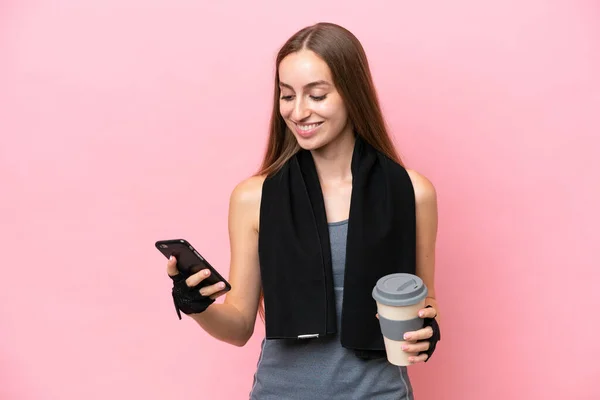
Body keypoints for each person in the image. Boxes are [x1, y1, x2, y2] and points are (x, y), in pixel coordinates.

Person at [165, 22, 441, 400]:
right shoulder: (253, 198)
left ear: (352, 94)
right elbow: (238, 327)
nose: (298, 112)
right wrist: (195, 303)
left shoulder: (413, 192)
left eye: (316, 95)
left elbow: (424, 303)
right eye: (287, 95)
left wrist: (426, 331)